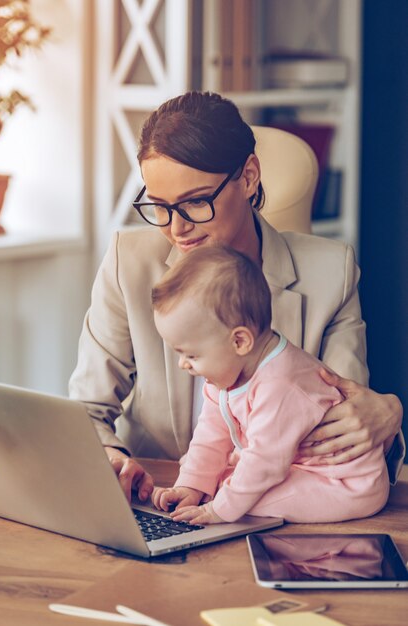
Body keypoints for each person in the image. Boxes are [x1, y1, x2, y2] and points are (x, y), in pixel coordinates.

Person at [69, 91, 404, 504]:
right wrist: (111, 455)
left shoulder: (329, 274)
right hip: (158, 500)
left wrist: (386, 412)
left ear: (248, 178)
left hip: (271, 508)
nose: (177, 228)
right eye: (159, 206)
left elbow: (343, 430)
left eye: (195, 202)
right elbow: (86, 408)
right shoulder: (128, 263)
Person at [151, 245, 389, 524]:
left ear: (240, 341)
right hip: (293, 466)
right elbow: (210, 435)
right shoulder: (225, 373)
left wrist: (216, 510)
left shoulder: (282, 383)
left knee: (244, 497)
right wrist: (191, 485)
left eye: (191, 355)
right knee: (224, 483)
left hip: (345, 483)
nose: (184, 364)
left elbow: (264, 462)